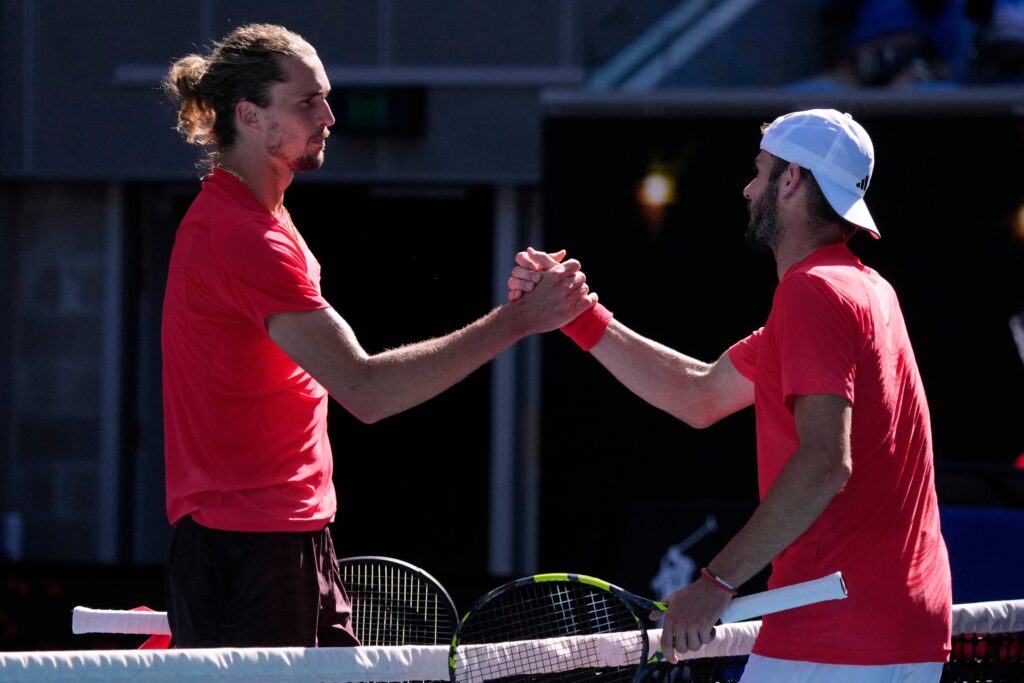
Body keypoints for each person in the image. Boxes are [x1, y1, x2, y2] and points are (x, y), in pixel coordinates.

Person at [160, 23, 594, 648]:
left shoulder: (265, 221)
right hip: (246, 549)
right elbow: (366, 390)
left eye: (326, 97)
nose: (329, 115)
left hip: (293, 538)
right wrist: (520, 320)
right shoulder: (241, 237)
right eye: (307, 101)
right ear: (250, 116)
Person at [511, 110, 952, 681]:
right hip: (904, 629)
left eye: (760, 170)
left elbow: (824, 462)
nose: (748, 188)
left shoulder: (814, 292)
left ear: (791, 179)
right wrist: (577, 315)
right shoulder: (867, 291)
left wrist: (715, 583)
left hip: (833, 634)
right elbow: (699, 395)